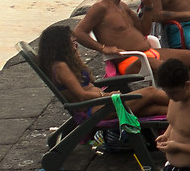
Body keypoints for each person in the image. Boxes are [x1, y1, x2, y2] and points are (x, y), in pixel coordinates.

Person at [75, 0, 190, 90]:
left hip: (149, 53)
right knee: (172, 70)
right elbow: (78, 33)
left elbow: (144, 30)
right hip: (131, 61)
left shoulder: (122, 6)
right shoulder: (101, 7)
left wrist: (148, 6)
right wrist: (103, 48)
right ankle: (185, 99)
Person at [36, 20, 168, 113]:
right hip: (95, 109)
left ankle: (179, 122)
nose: (75, 46)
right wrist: (107, 95)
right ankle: (181, 101)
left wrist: (76, 58)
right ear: (62, 46)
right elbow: (81, 95)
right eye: (72, 43)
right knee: (151, 92)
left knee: (156, 109)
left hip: (102, 104)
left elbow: (91, 80)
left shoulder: (68, 64)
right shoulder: (61, 67)